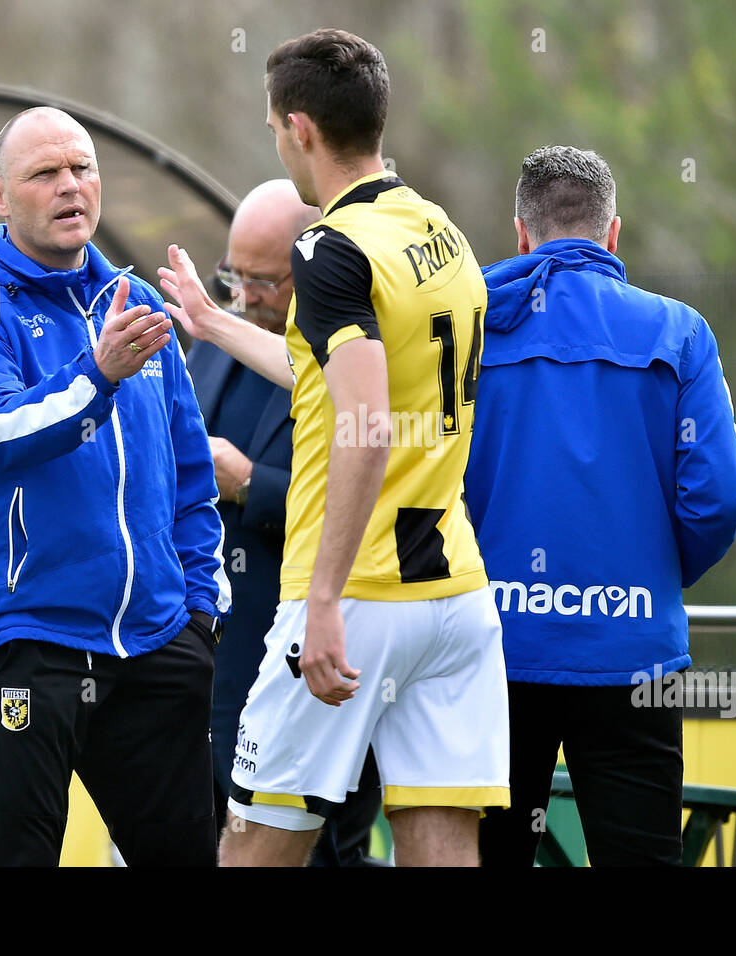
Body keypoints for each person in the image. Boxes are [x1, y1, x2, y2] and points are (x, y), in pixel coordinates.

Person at [160, 28, 508, 867]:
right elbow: (334, 375)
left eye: (275, 125)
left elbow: (363, 422)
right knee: (441, 850)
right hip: (454, 598)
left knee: (250, 849)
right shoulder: (438, 231)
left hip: (357, 594)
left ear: (300, 129)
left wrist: (320, 604)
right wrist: (214, 325)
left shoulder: (326, 246)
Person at [0, 106, 230, 866]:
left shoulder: (138, 306)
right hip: (24, 637)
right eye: (45, 174)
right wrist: (96, 375)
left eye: (83, 169)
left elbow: (191, 471)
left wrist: (200, 609)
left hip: (155, 640)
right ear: (0, 196)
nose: (70, 187)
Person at [468, 145, 736, 866]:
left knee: (487, 853)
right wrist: (654, 570)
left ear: (521, 234)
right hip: (633, 653)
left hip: (491, 643)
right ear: (613, 233)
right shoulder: (678, 332)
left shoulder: (467, 327)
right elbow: (721, 493)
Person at [188, 178, 383, 865]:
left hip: (312, 653)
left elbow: (373, 487)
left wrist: (250, 486)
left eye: (265, 281)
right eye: (232, 277)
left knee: (325, 851)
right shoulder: (218, 338)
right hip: (211, 663)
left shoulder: (357, 351)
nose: (244, 297)